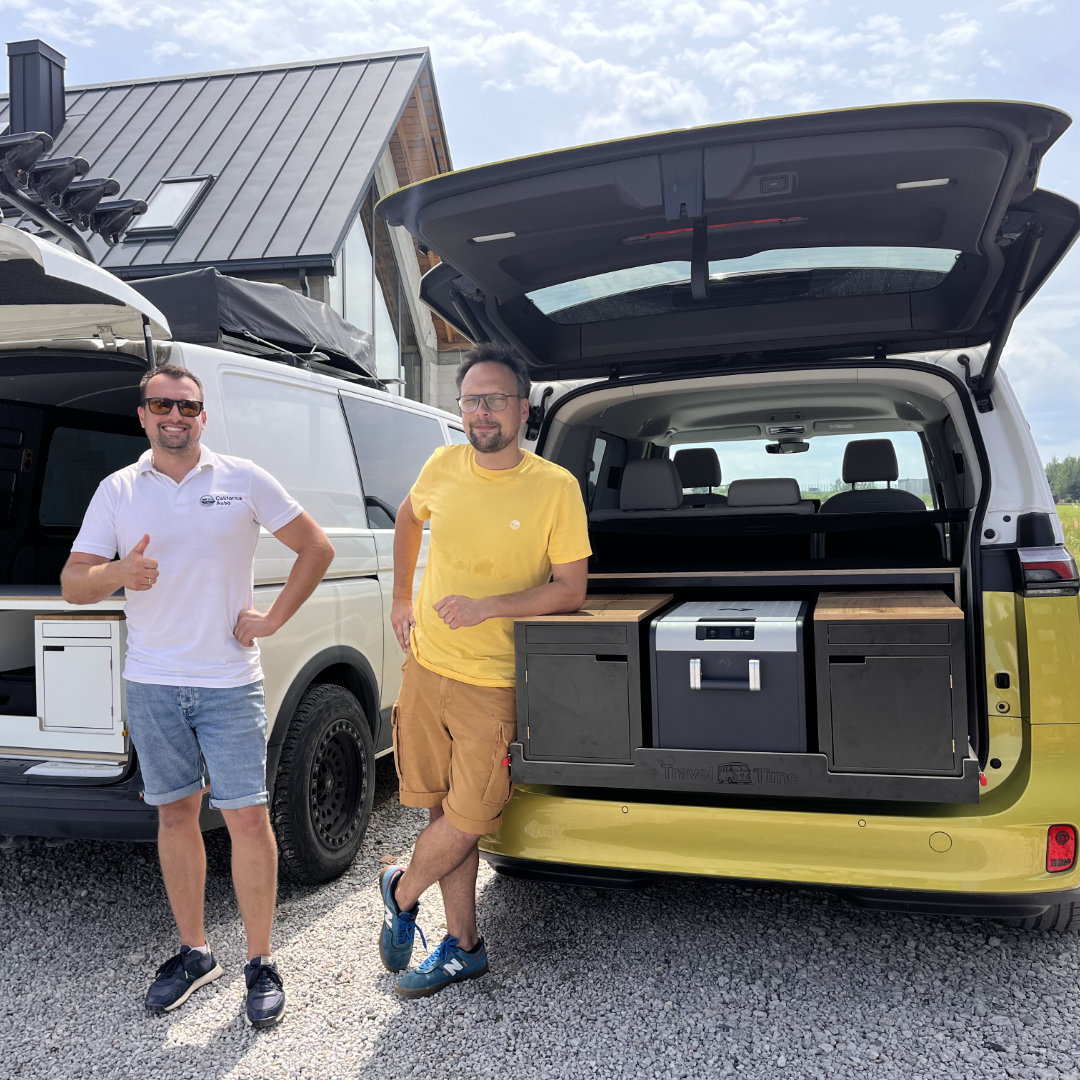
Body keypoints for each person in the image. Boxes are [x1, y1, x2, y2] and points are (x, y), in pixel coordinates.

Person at [61, 364, 334, 1028]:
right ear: (143, 415)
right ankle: (195, 953)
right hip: (153, 682)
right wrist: (120, 572)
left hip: (229, 683)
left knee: (248, 820)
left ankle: (261, 961)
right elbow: (73, 584)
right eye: (162, 405)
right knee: (175, 816)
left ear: (203, 416)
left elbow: (315, 548)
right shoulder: (118, 489)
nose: (175, 416)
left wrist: (273, 619)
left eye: (187, 406)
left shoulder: (242, 478)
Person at [380, 342, 591, 998]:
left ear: (523, 409)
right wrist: (400, 597)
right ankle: (463, 946)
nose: (482, 412)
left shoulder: (555, 487)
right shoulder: (442, 464)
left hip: (494, 680)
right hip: (427, 668)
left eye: (495, 399)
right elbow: (408, 518)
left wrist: (487, 606)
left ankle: (401, 889)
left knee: (472, 816)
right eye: (472, 400)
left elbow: (571, 589)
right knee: (440, 809)